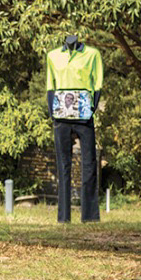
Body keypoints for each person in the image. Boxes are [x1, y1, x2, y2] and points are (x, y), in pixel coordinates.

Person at [45, 34, 104, 223]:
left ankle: (90, 216)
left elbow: (98, 84)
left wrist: (91, 108)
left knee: (89, 165)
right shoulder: (53, 56)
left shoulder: (92, 54)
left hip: (84, 116)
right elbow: (50, 85)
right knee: (63, 166)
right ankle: (64, 217)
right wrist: (53, 112)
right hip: (61, 117)